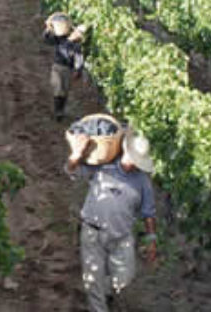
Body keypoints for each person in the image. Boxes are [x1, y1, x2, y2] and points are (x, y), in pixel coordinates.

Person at [65, 128, 157, 312]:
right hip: (92, 232)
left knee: (124, 278)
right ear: (125, 151)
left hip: (121, 237)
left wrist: (151, 239)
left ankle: (107, 290)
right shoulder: (102, 165)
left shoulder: (142, 181)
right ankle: (98, 302)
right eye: (133, 158)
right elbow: (71, 170)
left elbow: (148, 213)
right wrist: (76, 154)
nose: (134, 164)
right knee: (93, 283)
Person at [43, 13, 85, 122]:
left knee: (64, 91)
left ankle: (60, 110)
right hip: (57, 67)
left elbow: (79, 59)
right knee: (58, 88)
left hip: (67, 69)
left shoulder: (76, 46)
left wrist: (78, 71)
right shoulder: (61, 38)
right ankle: (58, 111)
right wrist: (48, 29)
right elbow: (47, 40)